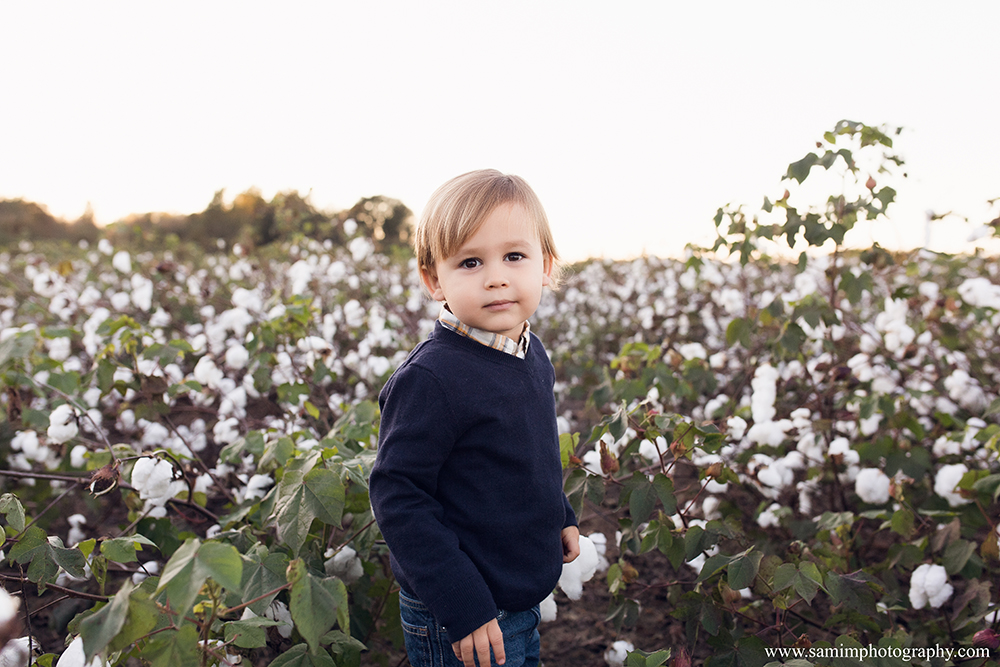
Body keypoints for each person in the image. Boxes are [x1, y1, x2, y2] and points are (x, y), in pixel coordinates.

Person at [369, 169, 580, 667]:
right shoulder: (432, 378)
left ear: (545, 265)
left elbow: (531, 455)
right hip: (462, 612)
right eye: (470, 261)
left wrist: (560, 515)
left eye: (514, 256)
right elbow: (399, 496)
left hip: (516, 593)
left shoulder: (528, 353)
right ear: (433, 280)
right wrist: (462, 605)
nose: (496, 276)